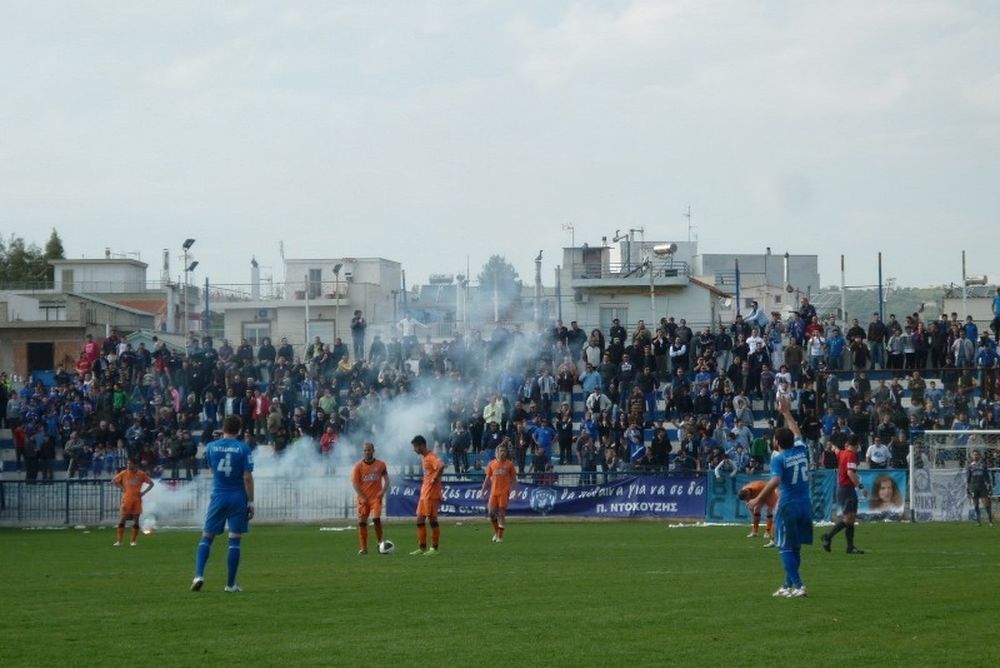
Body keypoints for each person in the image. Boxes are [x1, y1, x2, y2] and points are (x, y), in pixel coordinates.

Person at [748, 395, 812, 598]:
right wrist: (786, 412)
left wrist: (758, 499)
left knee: (784, 547)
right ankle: (787, 584)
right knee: (796, 547)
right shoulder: (801, 450)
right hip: (805, 504)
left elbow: (775, 482)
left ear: (777, 442)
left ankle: (799, 585)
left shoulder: (779, 458)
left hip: (788, 504)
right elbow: (797, 431)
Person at [191, 415, 255, 593]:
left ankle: (198, 575)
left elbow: (211, 469)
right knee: (234, 540)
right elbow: (247, 477)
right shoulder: (244, 448)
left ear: (223, 428)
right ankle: (230, 584)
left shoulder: (211, 447)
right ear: (239, 430)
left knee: (207, 537)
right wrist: (251, 502)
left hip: (218, 495)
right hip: (237, 497)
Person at [821, 435, 866, 555]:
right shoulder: (851, 455)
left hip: (842, 489)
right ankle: (828, 537)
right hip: (847, 489)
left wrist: (831, 444)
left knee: (850, 520)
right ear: (856, 444)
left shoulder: (843, 453)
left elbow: (836, 450)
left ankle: (850, 547)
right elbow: (850, 473)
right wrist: (861, 487)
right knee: (849, 519)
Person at [351, 442, 390, 554]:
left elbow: (387, 480)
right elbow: (355, 483)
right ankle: (364, 548)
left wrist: (383, 491)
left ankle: (380, 543)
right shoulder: (358, 466)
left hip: (376, 498)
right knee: (362, 522)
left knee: (376, 519)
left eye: (369, 450)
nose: (367, 452)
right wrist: (362, 497)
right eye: (365, 450)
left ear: (373, 451)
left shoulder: (381, 464)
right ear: (363, 451)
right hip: (363, 499)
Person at [410, 434, 444, 555]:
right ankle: (422, 547)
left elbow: (441, 465)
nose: (414, 449)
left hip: (431, 493)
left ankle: (434, 548)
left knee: (432, 520)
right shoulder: (424, 457)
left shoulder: (431, 456)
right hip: (424, 493)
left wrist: (434, 478)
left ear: (421, 446)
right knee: (419, 519)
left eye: (415, 447)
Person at [480, 442, 518, 542]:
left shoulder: (509, 464)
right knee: (491, 513)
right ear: (497, 452)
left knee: (501, 513)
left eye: (504, 451)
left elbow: (514, 479)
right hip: (493, 492)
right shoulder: (491, 464)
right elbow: (487, 478)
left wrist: (516, 492)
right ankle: (497, 532)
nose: (503, 453)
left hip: (504, 492)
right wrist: (482, 491)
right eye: (501, 451)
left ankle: (499, 537)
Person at [111, 459, 154, 546]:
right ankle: (119, 541)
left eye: (130, 464)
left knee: (136, 520)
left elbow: (151, 484)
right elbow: (113, 481)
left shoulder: (141, 474)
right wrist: (122, 488)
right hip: (126, 499)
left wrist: (143, 493)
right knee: (122, 519)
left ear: (135, 465)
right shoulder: (124, 473)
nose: (128, 465)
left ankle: (133, 541)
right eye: (127, 463)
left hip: (137, 500)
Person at [738, 479, 777, 547]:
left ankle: (768, 532)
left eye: (747, 498)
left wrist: (759, 499)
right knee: (756, 510)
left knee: (770, 511)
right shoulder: (744, 491)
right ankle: (754, 531)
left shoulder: (757, 487)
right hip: (759, 495)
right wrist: (752, 512)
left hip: (768, 492)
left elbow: (766, 490)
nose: (747, 500)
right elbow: (750, 504)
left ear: (748, 494)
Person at [966, 450, 994, 526]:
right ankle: (978, 521)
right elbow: (968, 478)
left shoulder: (983, 465)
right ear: (972, 456)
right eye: (974, 455)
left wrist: (989, 485)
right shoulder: (970, 466)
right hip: (973, 486)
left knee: (986, 503)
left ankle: (990, 520)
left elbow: (987, 477)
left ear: (979, 456)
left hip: (982, 485)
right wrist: (968, 488)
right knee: (975, 504)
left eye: (977, 455)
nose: (975, 456)